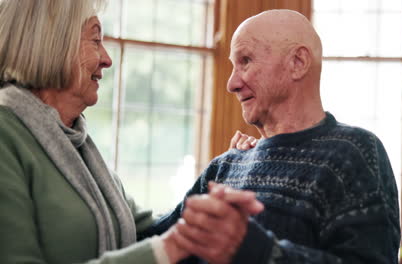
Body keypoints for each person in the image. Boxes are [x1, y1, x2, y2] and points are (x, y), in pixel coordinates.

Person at [0, 0, 263, 263]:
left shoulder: (75, 142)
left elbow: (149, 233)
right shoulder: (6, 135)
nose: (107, 59)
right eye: (95, 40)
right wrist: (173, 245)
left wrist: (221, 178)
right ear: (52, 44)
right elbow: (161, 246)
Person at [148, 9, 401, 264]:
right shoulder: (225, 166)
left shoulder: (353, 153)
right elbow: (150, 243)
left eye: (245, 61)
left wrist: (256, 249)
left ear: (298, 63)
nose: (231, 83)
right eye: (233, 66)